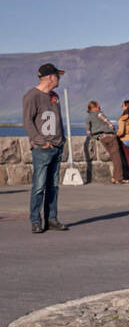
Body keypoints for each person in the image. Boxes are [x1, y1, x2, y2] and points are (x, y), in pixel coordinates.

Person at [22, 62, 69, 232]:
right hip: (42, 148)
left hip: (57, 146)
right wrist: (41, 141)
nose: (59, 79)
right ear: (50, 77)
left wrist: (62, 140)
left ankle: (52, 219)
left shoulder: (54, 97)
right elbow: (27, 122)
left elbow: (58, 120)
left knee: (53, 186)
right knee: (39, 186)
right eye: (57, 76)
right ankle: (36, 220)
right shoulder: (32, 96)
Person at [84, 100, 122, 184]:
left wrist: (95, 136)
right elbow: (109, 123)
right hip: (110, 136)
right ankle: (118, 178)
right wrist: (112, 129)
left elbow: (88, 131)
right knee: (117, 158)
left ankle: (114, 177)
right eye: (98, 106)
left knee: (113, 157)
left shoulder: (88, 118)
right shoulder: (99, 114)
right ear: (94, 108)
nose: (100, 108)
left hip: (101, 138)